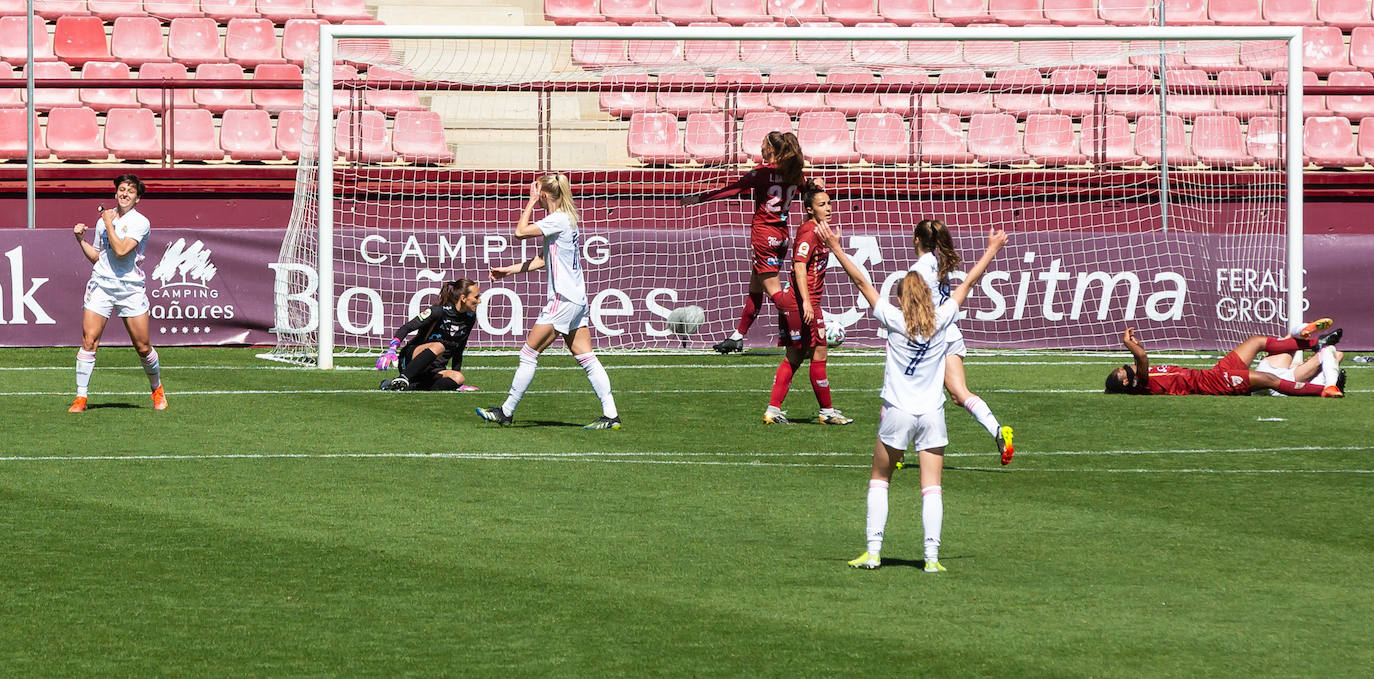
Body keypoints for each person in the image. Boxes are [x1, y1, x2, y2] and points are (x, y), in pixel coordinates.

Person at [817, 221, 1009, 572]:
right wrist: (992, 250)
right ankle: (932, 560)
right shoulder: (943, 318)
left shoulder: (893, 318)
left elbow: (861, 282)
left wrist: (835, 247)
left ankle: (874, 553)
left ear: (905, 297)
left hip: (897, 412)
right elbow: (968, 283)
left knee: (880, 478)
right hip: (931, 414)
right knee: (932, 487)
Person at [475, 174, 621, 429]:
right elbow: (544, 260)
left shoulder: (556, 219)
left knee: (529, 352)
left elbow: (520, 232)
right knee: (585, 356)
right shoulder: (565, 220)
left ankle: (506, 411)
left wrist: (530, 202)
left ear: (543, 194)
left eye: (537, 192)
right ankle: (611, 415)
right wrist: (508, 271)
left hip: (562, 299)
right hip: (576, 299)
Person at [681, 131, 810, 354]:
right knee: (756, 289)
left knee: (776, 294)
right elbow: (810, 192)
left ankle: (805, 333)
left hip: (763, 235)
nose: (760, 148)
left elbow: (733, 189)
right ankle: (737, 336)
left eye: (763, 144)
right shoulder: (795, 174)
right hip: (781, 236)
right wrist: (816, 187)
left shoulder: (761, 173)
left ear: (772, 149)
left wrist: (701, 198)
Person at [910, 218, 1014, 465]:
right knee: (959, 394)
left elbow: (913, 309)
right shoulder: (939, 264)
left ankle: (897, 451)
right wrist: (992, 250)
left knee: (911, 393)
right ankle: (997, 430)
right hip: (950, 333)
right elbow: (968, 283)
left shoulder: (918, 271)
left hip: (930, 338)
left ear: (916, 240)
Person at [69, 174, 165, 413]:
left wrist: (109, 222)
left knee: (142, 346)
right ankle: (81, 398)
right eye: (121, 189)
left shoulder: (139, 222)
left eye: (130, 191)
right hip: (101, 284)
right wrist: (80, 240)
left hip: (130, 288)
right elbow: (97, 256)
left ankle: (157, 389)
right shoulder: (105, 220)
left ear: (137, 198)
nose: (124, 194)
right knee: (89, 340)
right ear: (115, 193)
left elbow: (121, 251)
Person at [763, 185, 852, 426]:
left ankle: (773, 410)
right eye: (822, 204)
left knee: (794, 356)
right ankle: (827, 411)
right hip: (803, 301)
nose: (829, 208)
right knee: (819, 352)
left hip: (801, 301)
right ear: (810, 209)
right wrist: (806, 303)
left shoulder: (820, 232)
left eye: (829, 203)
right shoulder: (810, 231)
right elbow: (799, 266)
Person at [1105, 320, 1345, 397]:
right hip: (1212, 384)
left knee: (1256, 341)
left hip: (1212, 373)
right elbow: (1143, 359)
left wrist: (1135, 345)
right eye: (1122, 372)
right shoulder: (1141, 385)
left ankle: (1317, 343)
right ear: (1126, 383)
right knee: (1269, 378)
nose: (1126, 368)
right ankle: (1322, 390)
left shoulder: (1138, 376)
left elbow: (1141, 359)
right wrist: (1129, 345)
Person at [376, 279, 482, 392]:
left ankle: (401, 386)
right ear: (463, 298)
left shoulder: (470, 317)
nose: (479, 301)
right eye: (476, 297)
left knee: (459, 378)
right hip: (411, 359)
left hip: (435, 369)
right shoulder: (438, 311)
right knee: (439, 346)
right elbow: (407, 327)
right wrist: (392, 349)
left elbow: (459, 348)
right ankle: (403, 377)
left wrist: (456, 381)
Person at [1250, 328, 1345, 396]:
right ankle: (1331, 385)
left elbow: (1337, 355)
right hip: (1278, 380)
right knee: (1331, 351)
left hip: (1276, 379)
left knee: (1290, 339)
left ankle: (1309, 336)